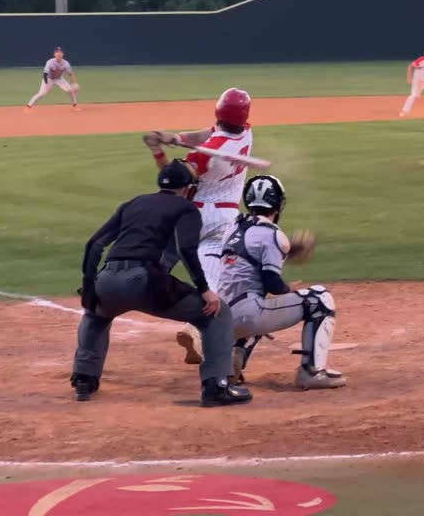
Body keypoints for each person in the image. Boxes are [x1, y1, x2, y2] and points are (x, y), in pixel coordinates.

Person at [71, 160, 251, 408]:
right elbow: (186, 250)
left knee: (95, 313)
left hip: (107, 278)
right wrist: (205, 290)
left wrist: (89, 286)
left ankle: (84, 379)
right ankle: (215, 386)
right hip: (144, 282)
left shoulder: (133, 203)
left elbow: (94, 245)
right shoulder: (186, 209)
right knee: (217, 314)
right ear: (189, 188)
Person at [176, 175, 346, 389]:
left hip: (222, 318)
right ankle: (311, 371)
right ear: (278, 204)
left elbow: (248, 252)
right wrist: (289, 288)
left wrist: (288, 250)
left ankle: (233, 359)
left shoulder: (233, 225)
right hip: (248, 315)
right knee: (320, 299)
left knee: (255, 300)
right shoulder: (273, 234)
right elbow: (272, 283)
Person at [143, 88, 255, 294]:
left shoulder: (205, 157)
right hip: (227, 217)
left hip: (197, 216)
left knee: (163, 255)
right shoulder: (247, 133)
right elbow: (207, 134)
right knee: (210, 279)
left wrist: (157, 151)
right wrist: (175, 138)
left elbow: (173, 179)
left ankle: (145, 288)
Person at [25, 46, 81, 111]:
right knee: (41, 93)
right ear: (54, 54)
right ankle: (28, 106)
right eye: (57, 52)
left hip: (59, 79)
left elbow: (70, 74)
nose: (59, 54)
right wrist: (46, 83)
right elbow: (45, 74)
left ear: (63, 54)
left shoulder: (66, 64)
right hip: (48, 79)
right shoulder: (50, 62)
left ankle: (75, 106)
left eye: (60, 52)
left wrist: (74, 83)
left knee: (70, 91)